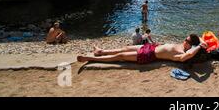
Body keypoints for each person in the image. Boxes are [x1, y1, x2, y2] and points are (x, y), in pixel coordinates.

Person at [77, 34, 207, 64]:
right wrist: (200, 41)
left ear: (191, 45)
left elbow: (187, 57)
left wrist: (199, 47)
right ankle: (101, 51)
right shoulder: (185, 45)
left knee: (121, 57)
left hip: (149, 55)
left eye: (187, 41)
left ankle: (90, 58)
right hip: (151, 47)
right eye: (185, 38)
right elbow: (201, 37)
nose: (185, 40)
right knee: (125, 48)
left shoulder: (182, 52)